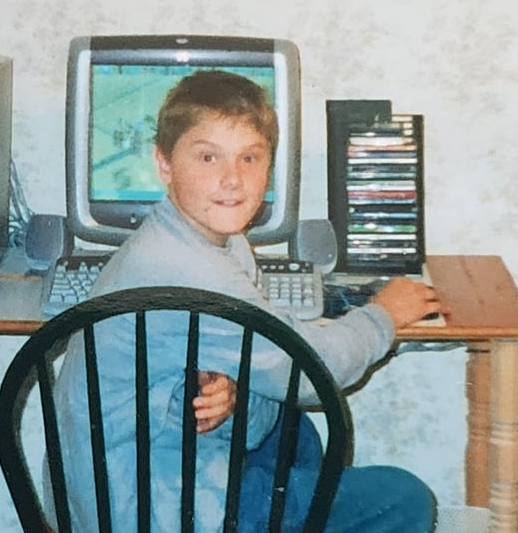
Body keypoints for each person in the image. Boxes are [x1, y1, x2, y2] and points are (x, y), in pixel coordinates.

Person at [50, 70, 441, 532]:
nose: (232, 179)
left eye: (250, 158)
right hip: (149, 511)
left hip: (144, 474)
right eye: (208, 157)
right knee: (404, 499)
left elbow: (263, 387)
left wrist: (236, 394)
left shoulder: (202, 241)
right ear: (164, 165)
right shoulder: (187, 270)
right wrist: (384, 316)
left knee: (293, 431)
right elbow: (312, 373)